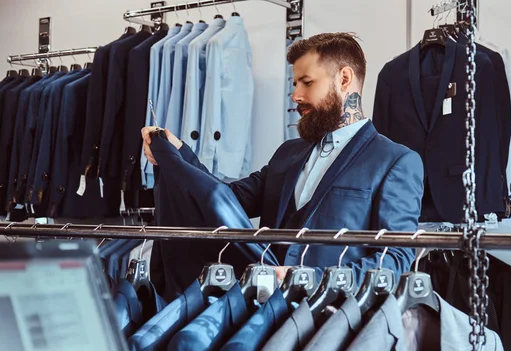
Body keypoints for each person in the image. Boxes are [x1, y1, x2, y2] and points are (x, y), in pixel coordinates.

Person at [142, 32, 424, 285]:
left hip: (333, 318)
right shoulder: (287, 153)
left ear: (345, 79)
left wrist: (313, 280)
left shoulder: (396, 162)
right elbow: (224, 200)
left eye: (306, 83)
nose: (295, 95)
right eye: (294, 83)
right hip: (264, 310)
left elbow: (395, 258)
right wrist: (178, 154)